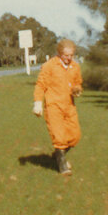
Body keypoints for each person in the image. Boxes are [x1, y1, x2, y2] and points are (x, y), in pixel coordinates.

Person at [33, 39, 83, 174]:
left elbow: (77, 82)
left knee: (75, 136)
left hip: (69, 106)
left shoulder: (75, 66)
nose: (69, 58)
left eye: (71, 55)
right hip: (53, 106)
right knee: (59, 137)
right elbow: (40, 85)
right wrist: (38, 103)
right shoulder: (49, 66)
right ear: (59, 53)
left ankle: (58, 154)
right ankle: (63, 167)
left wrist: (77, 89)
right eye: (66, 55)